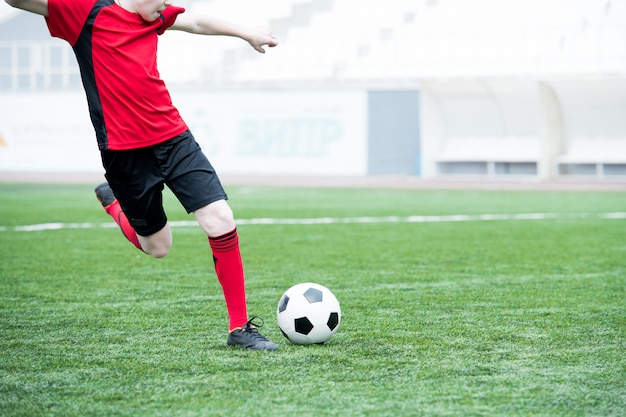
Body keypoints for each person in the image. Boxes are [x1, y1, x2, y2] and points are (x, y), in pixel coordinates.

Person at [5, 0, 279, 350]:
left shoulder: (155, 15)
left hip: (174, 138)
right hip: (125, 154)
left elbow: (195, 23)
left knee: (220, 217)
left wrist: (246, 32)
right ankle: (113, 204)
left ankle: (239, 328)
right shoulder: (85, 11)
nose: (166, 5)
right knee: (158, 247)